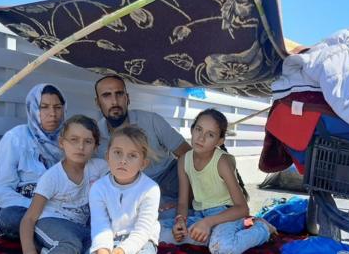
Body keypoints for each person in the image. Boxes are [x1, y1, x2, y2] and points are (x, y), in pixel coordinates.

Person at [160, 109, 276, 253]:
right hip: (199, 215)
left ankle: (263, 229)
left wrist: (208, 222)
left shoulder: (222, 162)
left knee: (222, 248)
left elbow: (242, 208)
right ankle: (208, 236)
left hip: (227, 215)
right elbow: (183, 202)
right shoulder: (184, 160)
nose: (201, 138)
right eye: (198, 129)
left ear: (219, 141)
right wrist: (180, 221)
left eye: (210, 134)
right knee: (157, 231)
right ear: (192, 129)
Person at [94, 75, 191, 216]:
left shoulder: (152, 120)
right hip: (130, 193)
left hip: (169, 181)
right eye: (106, 95)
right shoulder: (95, 136)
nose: (114, 101)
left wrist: (184, 201)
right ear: (97, 103)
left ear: (127, 98)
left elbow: (189, 156)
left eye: (119, 94)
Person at [20, 115, 108, 254]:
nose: (80, 146)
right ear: (62, 143)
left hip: (79, 228)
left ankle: (46, 250)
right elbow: (29, 218)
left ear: (96, 147)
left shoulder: (99, 168)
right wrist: (29, 251)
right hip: (50, 222)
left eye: (88, 141)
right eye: (74, 140)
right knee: (70, 245)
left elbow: (123, 180)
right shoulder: (52, 177)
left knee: (97, 246)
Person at [0, 84, 66, 238]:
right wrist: (38, 208)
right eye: (44, 107)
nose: (52, 113)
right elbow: (1, 191)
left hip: (61, 208)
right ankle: (53, 235)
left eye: (57, 107)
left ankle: (51, 235)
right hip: (26, 208)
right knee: (9, 217)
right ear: (32, 108)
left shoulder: (69, 139)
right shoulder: (15, 138)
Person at [90, 126, 160, 254]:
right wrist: (103, 249)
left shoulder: (150, 189)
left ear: (143, 164)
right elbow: (100, 225)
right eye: (117, 153)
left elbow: (143, 230)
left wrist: (122, 250)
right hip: (110, 238)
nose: (123, 160)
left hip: (142, 241)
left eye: (132, 155)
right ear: (107, 157)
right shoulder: (98, 188)